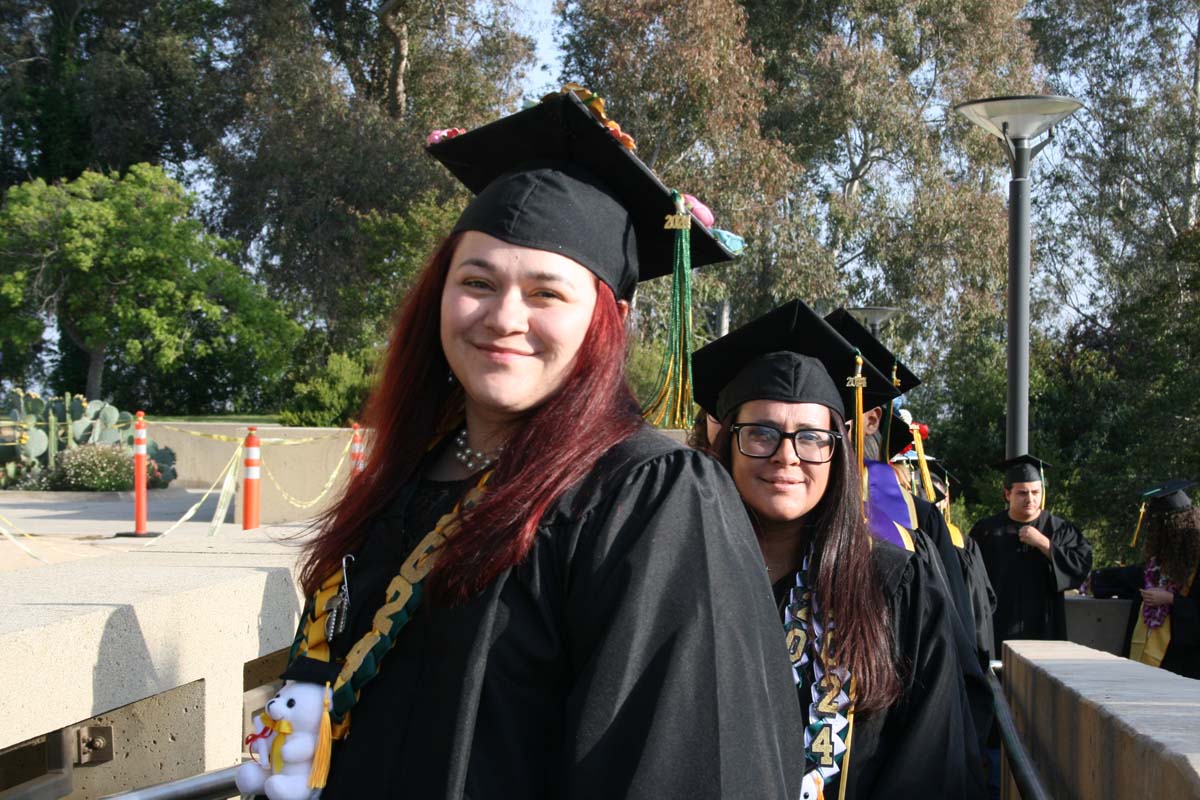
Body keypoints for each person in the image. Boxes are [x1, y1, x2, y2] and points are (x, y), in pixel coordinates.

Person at [270, 89, 804, 799]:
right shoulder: (407, 478)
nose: (503, 317)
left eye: (546, 293)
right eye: (477, 282)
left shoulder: (650, 501)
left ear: (607, 320)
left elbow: (687, 769)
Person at [691, 305, 985, 799]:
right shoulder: (685, 579)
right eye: (761, 433)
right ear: (728, 445)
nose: (787, 455)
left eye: (811, 437)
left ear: (838, 453)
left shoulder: (896, 587)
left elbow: (932, 759)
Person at [969, 455, 1094, 657]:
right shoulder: (986, 531)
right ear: (1007, 494)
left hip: (1045, 626)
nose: (1030, 499)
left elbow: (1081, 566)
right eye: (1022, 493)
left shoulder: (1059, 530)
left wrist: (1045, 544)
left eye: (1036, 492)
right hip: (999, 623)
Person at [1089, 480, 1200, 678]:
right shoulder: (1156, 566)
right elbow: (1126, 578)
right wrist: (1093, 579)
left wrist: (1171, 599)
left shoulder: (1196, 566)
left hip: (1187, 663)